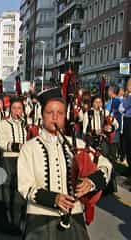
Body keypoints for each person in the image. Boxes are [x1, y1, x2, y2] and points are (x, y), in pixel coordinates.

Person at [18, 88, 112, 240]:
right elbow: (25, 187)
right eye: (50, 113)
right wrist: (54, 199)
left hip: (74, 217)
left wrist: (91, 182)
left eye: (60, 113)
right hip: (39, 219)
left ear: (65, 117)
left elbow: (106, 165)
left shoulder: (78, 145)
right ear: (42, 116)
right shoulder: (29, 148)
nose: (55, 117)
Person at [0, 97, 27, 234]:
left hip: (23, 161)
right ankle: (8, 223)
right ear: (10, 109)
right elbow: (1, 142)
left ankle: (21, 221)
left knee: (22, 192)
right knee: (7, 191)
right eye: (14, 108)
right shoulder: (4, 123)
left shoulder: (27, 124)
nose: (17, 111)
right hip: (8, 160)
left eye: (19, 108)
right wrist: (16, 146)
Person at [122, 79, 131, 174]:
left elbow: (125, 106)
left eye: (129, 84)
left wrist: (125, 97)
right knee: (127, 143)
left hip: (129, 119)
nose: (127, 86)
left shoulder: (128, 96)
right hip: (127, 120)